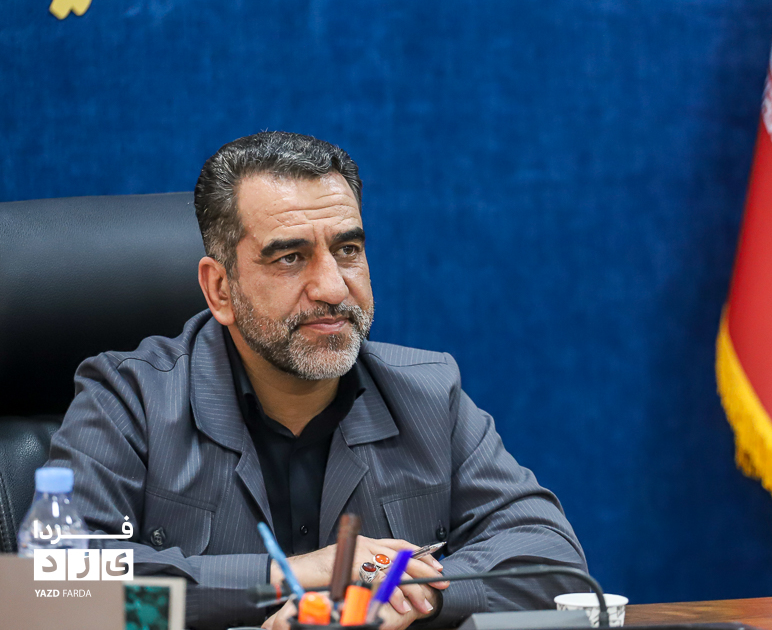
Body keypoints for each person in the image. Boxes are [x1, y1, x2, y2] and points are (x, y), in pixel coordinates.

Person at [46, 132, 587, 630]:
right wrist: (291, 577)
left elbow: (554, 564)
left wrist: (411, 592)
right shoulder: (129, 398)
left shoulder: (428, 393)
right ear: (220, 290)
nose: (332, 287)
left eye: (347, 250)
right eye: (290, 257)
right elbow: (55, 592)